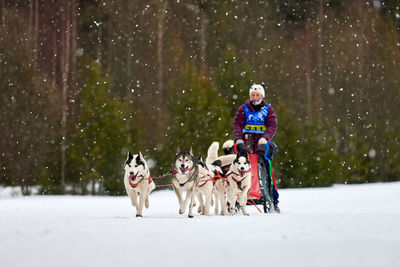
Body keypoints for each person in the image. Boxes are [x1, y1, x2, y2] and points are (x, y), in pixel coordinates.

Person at [232, 83, 280, 212]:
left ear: (262, 95)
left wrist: (265, 138)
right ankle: (235, 199)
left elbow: (272, 125)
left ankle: (273, 200)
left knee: (268, 171)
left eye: (257, 94)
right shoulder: (243, 108)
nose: (255, 97)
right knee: (237, 170)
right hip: (246, 144)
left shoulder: (268, 109)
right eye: (252, 95)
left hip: (261, 144)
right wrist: (238, 139)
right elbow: (237, 124)